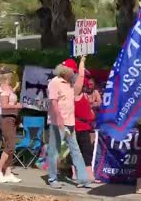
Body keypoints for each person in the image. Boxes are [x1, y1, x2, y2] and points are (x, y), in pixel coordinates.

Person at [47, 56, 90, 189]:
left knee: (75, 150)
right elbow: (53, 101)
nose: (74, 73)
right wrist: (59, 117)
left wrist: (82, 62)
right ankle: (52, 178)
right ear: (66, 70)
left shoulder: (70, 83)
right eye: (73, 70)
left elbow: (81, 79)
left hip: (70, 122)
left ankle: (83, 180)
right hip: (57, 122)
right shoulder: (55, 82)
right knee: (55, 151)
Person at [0, 67, 22, 183]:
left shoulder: (9, 88)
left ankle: (8, 172)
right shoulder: (3, 89)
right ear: (6, 77)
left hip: (12, 118)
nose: (12, 77)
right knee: (10, 145)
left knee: (10, 146)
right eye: (11, 75)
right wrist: (17, 106)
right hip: (5, 118)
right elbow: (4, 106)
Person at [73, 77, 96, 183]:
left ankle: (83, 173)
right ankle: (82, 174)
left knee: (83, 151)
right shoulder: (74, 96)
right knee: (83, 150)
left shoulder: (84, 96)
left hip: (85, 126)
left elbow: (89, 112)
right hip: (79, 126)